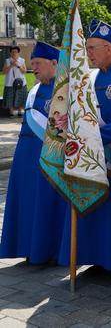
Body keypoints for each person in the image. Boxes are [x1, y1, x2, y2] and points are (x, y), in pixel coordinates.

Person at [58, 20, 111, 274]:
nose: (89, 53)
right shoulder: (90, 78)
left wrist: (89, 137)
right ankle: (96, 258)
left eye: (93, 48)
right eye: (88, 48)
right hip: (89, 155)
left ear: (109, 48)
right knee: (92, 208)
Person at [0, 42, 67, 264]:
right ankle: (29, 248)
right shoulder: (34, 90)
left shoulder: (64, 91)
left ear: (54, 63)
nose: (33, 68)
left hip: (48, 155)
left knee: (46, 201)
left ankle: (48, 251)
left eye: (38, 63)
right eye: (33, 63)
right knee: (27, 201)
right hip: (24, 155)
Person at [3, 45, 28, 116]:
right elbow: (4, 72)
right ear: (10, 53)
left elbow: (24, 71)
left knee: (21, 96)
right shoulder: (7, 61)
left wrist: (18, 65)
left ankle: (20, 110)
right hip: (10, 82)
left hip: (20, 82)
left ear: (18, 53)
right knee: (10, 97)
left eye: (16, 52)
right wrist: (11, 65)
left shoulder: (22, 60)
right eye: (12, 52)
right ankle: (12, 111)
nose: (14, 53)